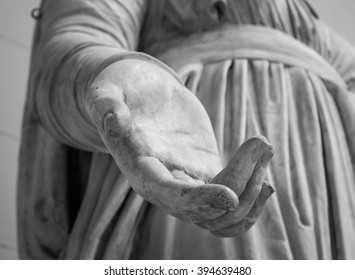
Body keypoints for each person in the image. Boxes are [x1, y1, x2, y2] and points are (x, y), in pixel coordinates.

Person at [18, 0, 355, 260]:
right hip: (182, 135)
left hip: (327, 171)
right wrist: (119, 81)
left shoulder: (302, 13)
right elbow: (73, 43)